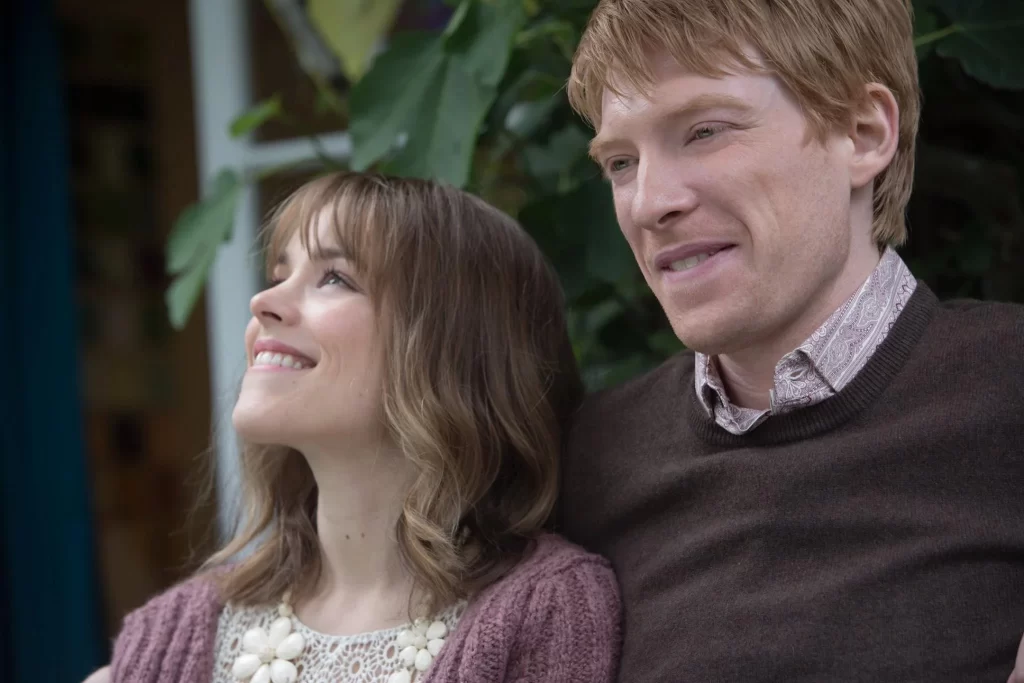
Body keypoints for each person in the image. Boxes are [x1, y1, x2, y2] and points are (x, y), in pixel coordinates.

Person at [558, 0, 1024, 681]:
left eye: (705, 131)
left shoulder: (1008, 387)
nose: (650, 202)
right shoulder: (589, 456)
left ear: (863, 134)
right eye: (621, 162)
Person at [84, 173, 621, 683]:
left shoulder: (543, 612)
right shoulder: (174, 634)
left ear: (452, 348)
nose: (262, 303)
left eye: (335, 278)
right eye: (279, 276)